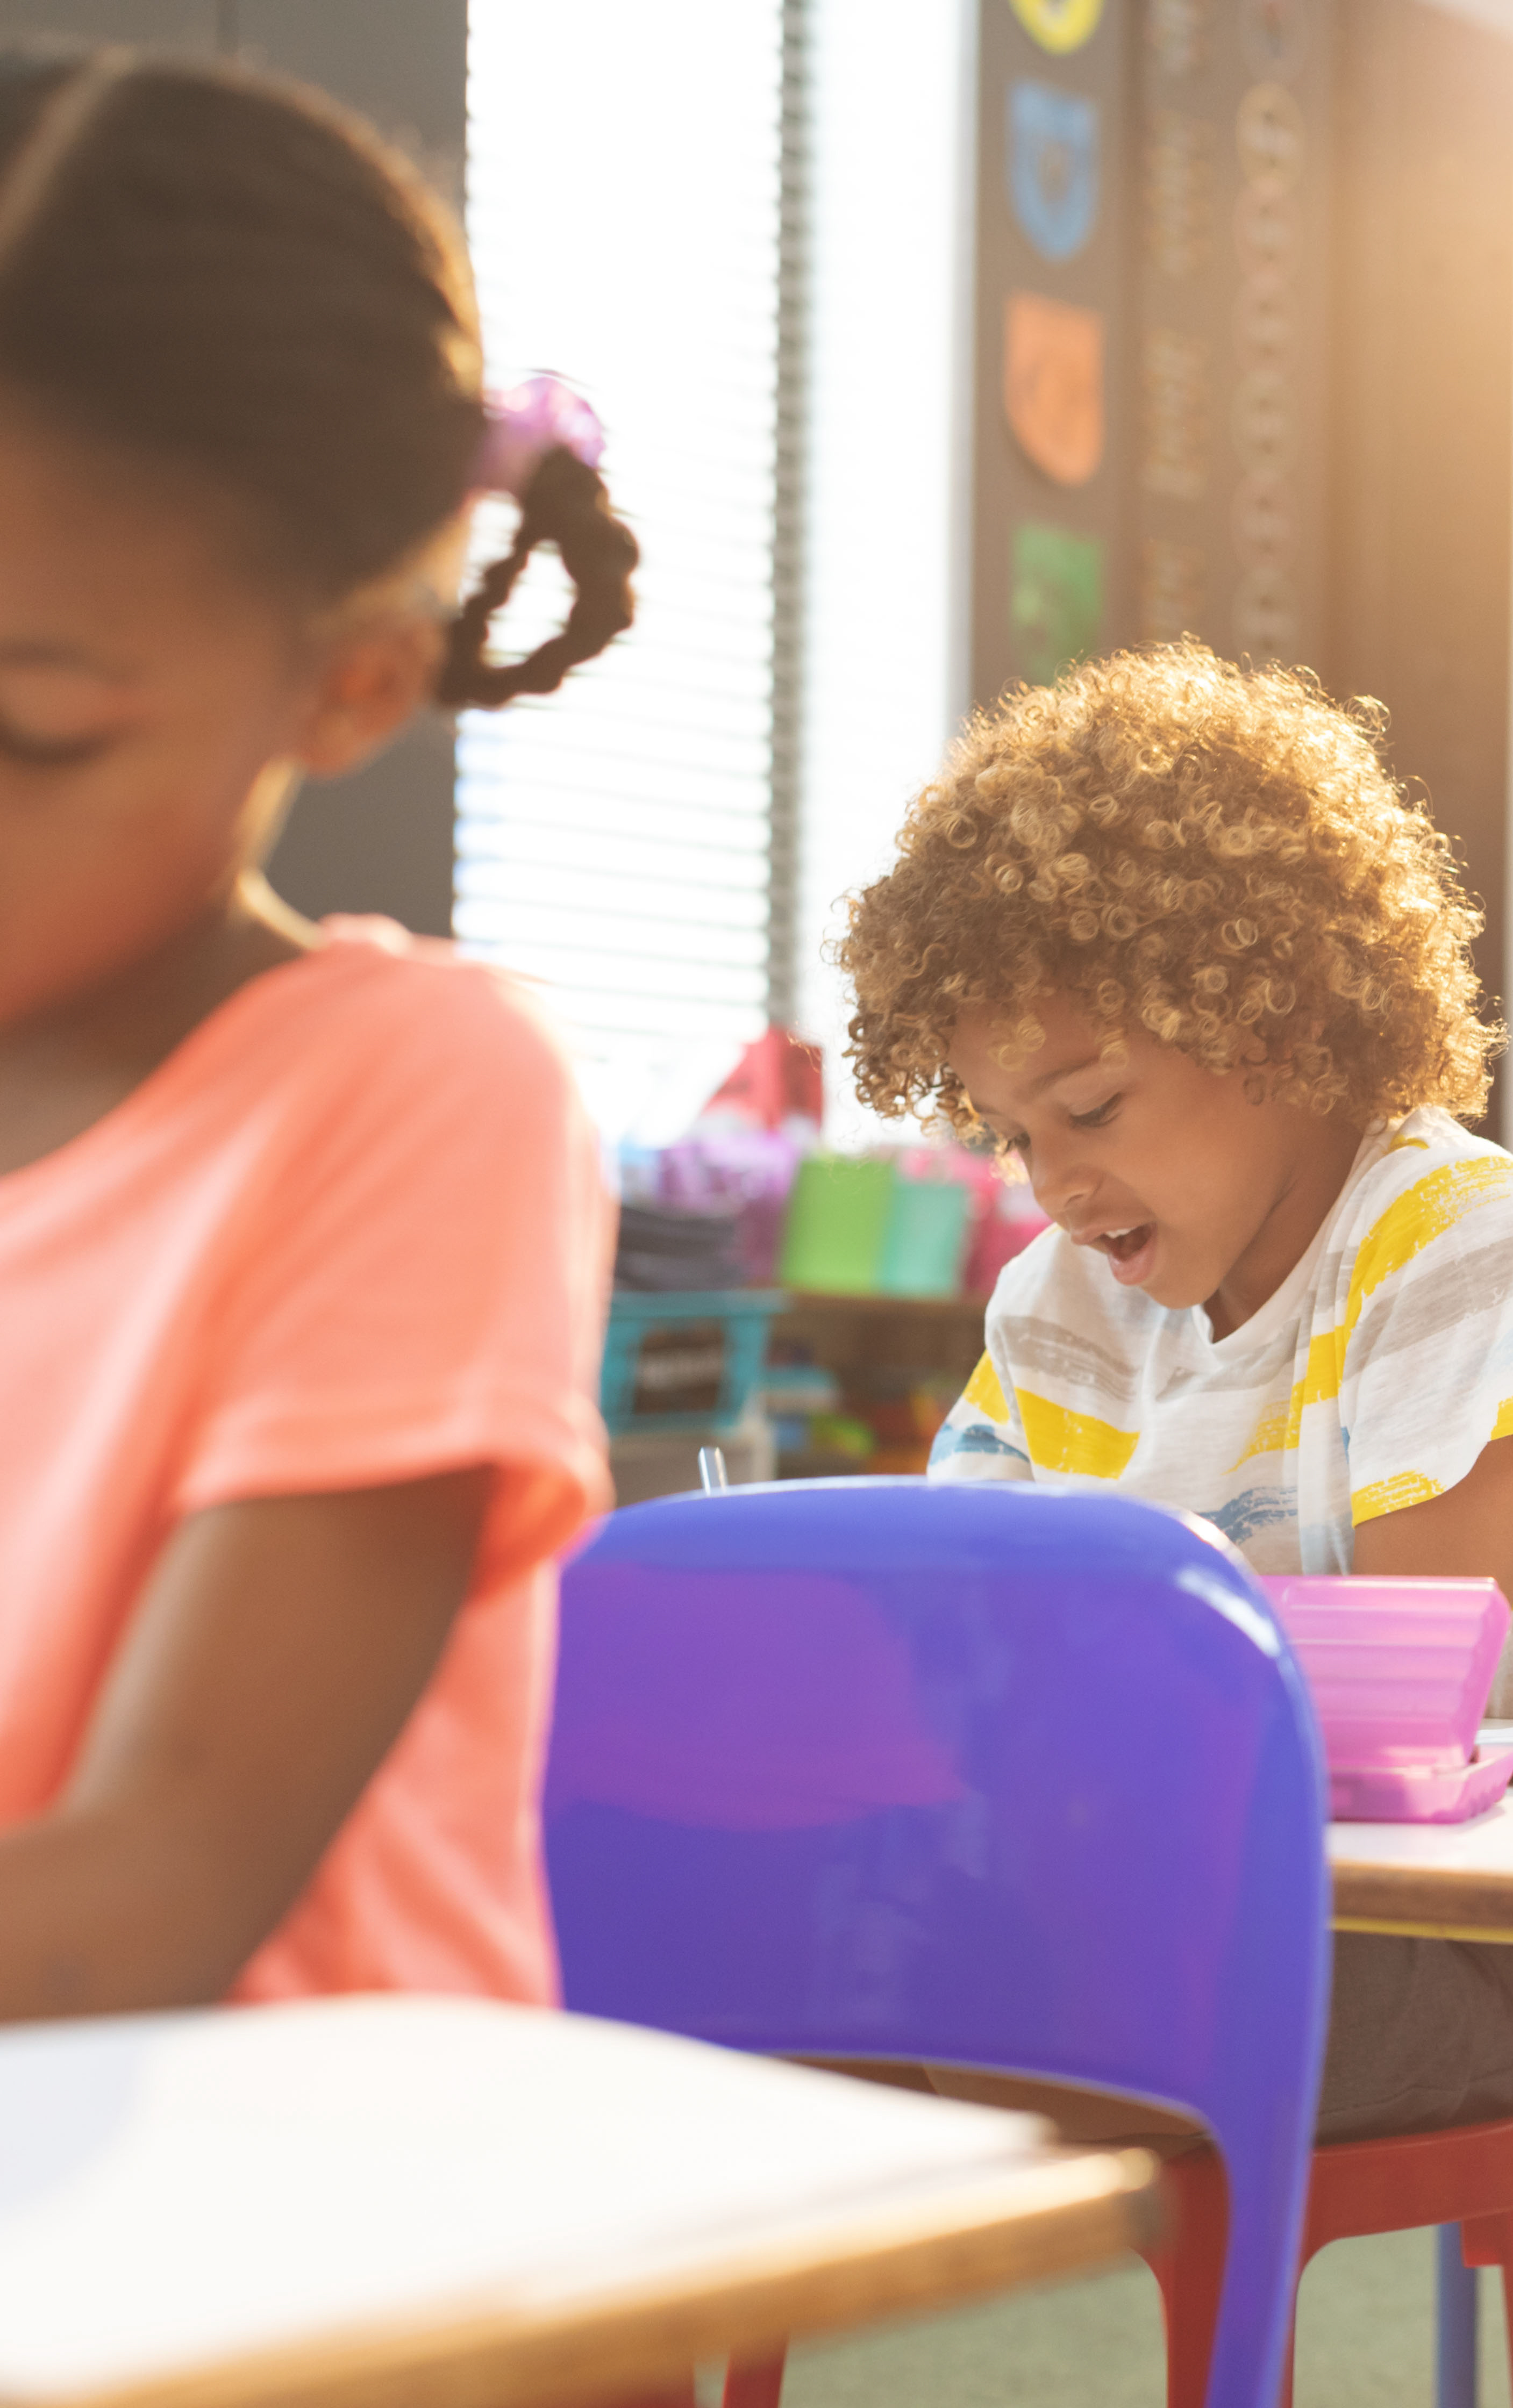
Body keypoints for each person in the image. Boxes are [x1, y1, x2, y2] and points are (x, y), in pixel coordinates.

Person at [0, 49, 636, 2015]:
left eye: (29, 735)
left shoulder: (413, 1090)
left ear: (351, 689)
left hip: (296, 2261)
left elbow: (147, 1896)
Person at [841, 641, 1513, 2143]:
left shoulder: (1446, 1233)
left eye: (1091, 1109)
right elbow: (967, 1645)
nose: (1058, 1182)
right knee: (711, 1981)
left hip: (1458, 1934)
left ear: (1272, 1022)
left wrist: (1089, 1683)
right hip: (1124, 1869)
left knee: (958, 1995)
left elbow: (1405, 1699)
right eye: (1014, 1136)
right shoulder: (1057, 1303)